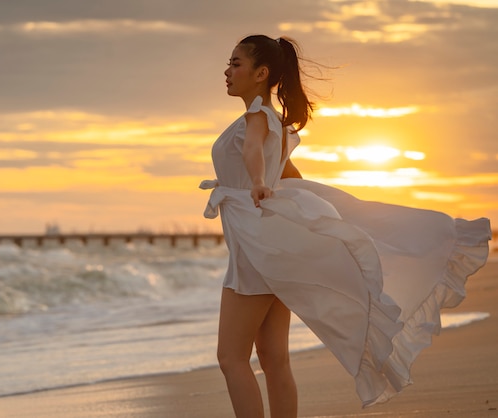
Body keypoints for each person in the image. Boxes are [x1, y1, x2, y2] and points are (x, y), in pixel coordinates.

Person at [200, 34, 491, 418]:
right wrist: (312, 219)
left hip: (258, 247)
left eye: (236, 63)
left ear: (261, 73)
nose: (227, 71)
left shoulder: (257, 116)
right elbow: (290, 176)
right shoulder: (275, 122)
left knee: (231, 357)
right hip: (270, 244)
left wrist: (256, 181)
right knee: (272, 358)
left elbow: (255, 153)